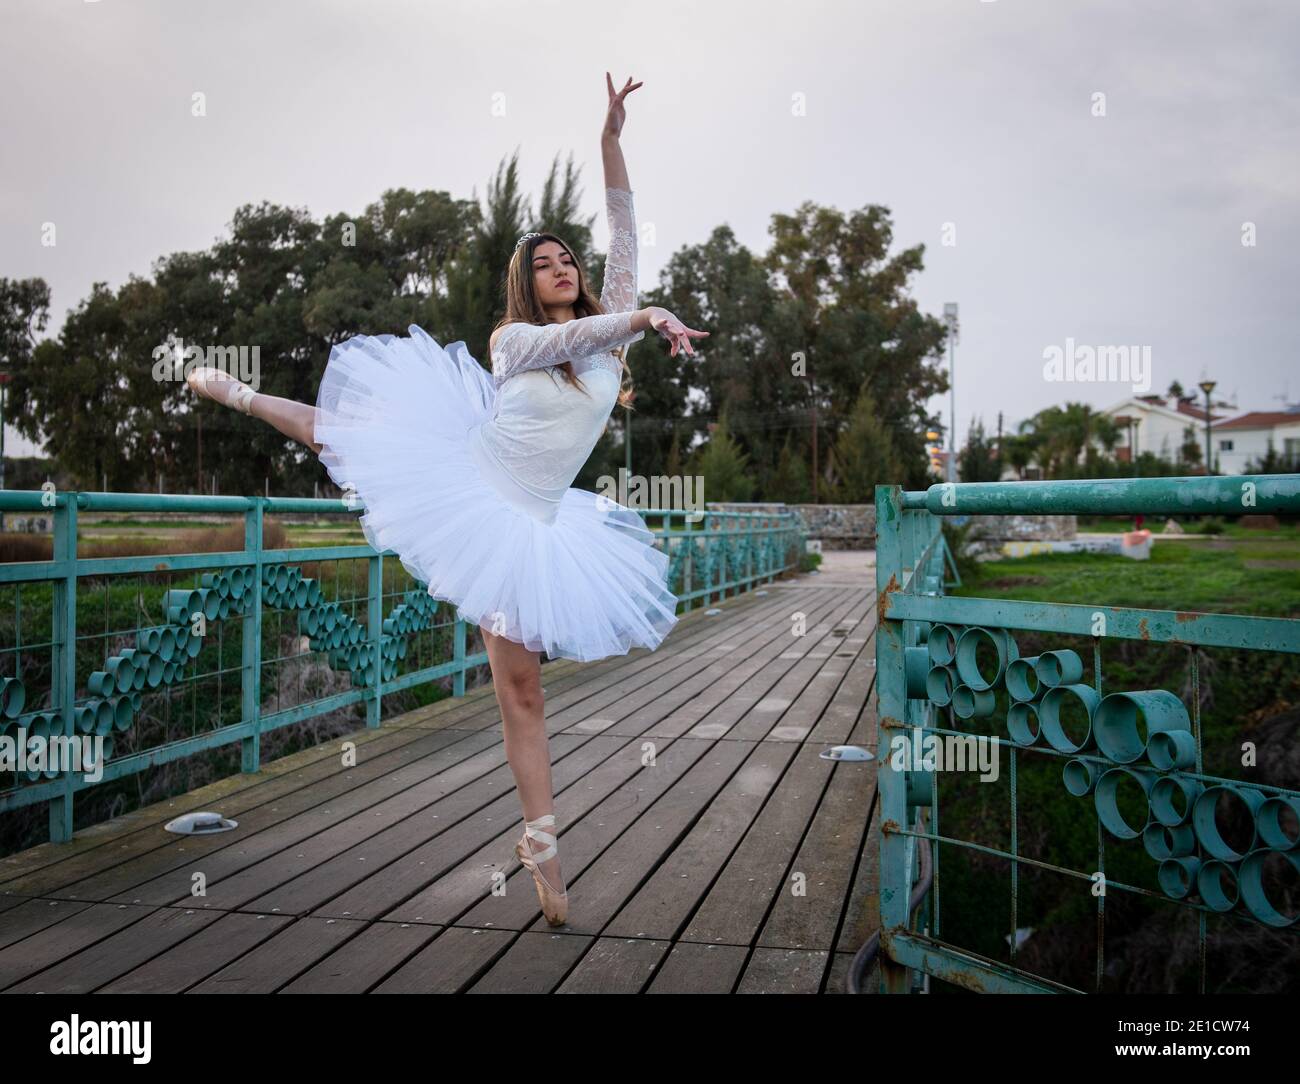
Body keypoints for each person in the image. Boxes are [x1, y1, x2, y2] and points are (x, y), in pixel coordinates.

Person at [183, 74, 708, 927]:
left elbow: (621, 225)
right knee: (344, 438)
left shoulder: (608, 320)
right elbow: (578, 337)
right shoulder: (515, 341)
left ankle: (534, 837)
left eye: (565, 258)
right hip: (476, 491)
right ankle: (244, 398)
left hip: (546, 521)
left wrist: (609, 136)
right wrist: (645, 318)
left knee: (524, 692)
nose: (562, 267)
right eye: (543, 264)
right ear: (526, 287)